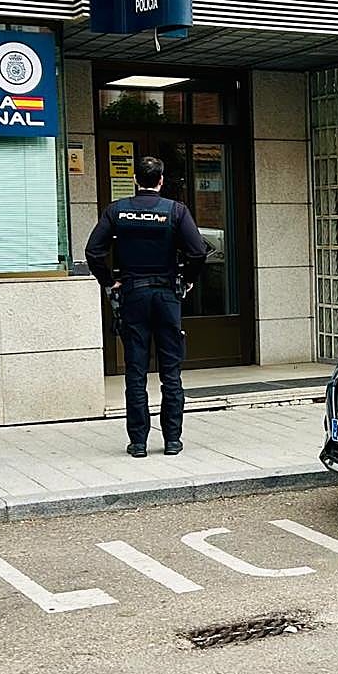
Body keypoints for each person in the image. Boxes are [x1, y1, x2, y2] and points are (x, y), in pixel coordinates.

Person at [85, 156, 207, 458]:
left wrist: (107, 282)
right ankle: (172, 440)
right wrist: (188, 280)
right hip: (166, 296)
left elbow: (93, 251)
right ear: (161, 180)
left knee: (135, 372)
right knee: (171, 372)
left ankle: (138, 442)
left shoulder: (117, 211)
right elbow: (197, 251)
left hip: (133, 296)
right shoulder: (175, 211)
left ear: (136, 180)